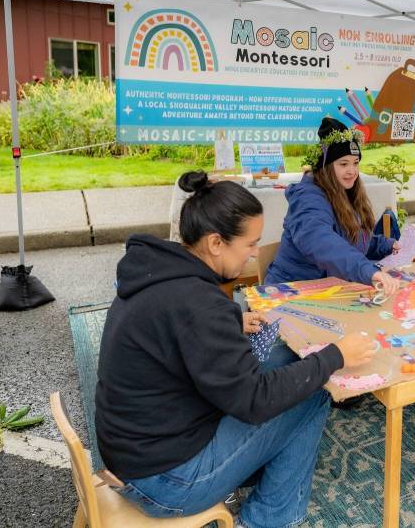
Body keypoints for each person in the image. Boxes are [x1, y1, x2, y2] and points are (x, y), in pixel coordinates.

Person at [94, 176, 377, 527]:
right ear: (216, 242)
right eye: (250, 244)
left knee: (288, 361)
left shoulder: (160, 272)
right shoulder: (199, 305)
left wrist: (232, 318)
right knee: (315, 391)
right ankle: (271, 519)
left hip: (135, 451)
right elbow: (254, 402)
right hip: (167, 482)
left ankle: (261, 476)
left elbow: (177, 324)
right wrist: (335, 355)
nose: (255, 253)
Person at [264, 117, 401, 295]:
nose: (352, 171)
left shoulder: (345, 191)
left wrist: (386, 245)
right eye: (343, 164)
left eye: (355, 163)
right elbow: (321, 241)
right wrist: (368, 270)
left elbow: (351, 236)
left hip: (328, 290)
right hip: (290, 291)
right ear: (326, 166)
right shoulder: (308, 197)